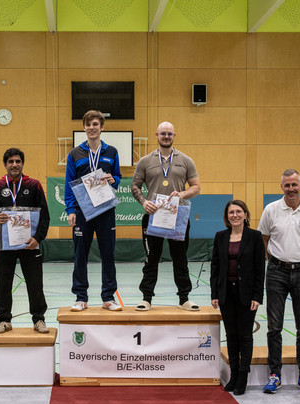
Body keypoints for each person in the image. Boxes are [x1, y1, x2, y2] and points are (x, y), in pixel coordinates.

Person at [258, 169, 300, 395]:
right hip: (276, 272)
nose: (291, 189)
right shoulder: (271, 209)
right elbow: (264, 239)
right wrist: (275, 261)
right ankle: (274, 375)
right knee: (274, 327)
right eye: (287, 185)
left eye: (294, 184)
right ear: (282, 187)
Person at [130, 121, 201, 311]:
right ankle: (146, 298)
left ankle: (184, 299)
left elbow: (196, 187)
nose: (166, 137)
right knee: (151, 259)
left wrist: (182, 194)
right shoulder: (145, 161)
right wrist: (144, 202)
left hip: (178, 217)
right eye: (163, 133)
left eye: (169, 133)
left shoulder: (186, 160)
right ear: (157, 135)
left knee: (181, 259)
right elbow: (135, 186)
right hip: (153, 217)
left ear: (174, 136)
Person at [0, 148, 50, 334]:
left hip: (30, 244)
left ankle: (38, 319)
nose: (14, 164)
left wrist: (38, 238)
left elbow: (44, 216)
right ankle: (4, 320)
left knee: (35, 283)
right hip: (4, 245)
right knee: (3, 284)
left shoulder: (34, 185)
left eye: (18, 161)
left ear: (22, 164)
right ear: (5, 164)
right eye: (11, 161)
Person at [65, 110, 122, 311]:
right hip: (82, 211)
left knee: (108, 254)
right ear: (84, 128)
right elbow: (69, 183)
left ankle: (108, 298)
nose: (92, 128)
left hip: (106, 210)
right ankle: (81, 297)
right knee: (80, 255)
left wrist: (114, 179)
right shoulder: (75, 153)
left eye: (95, 124)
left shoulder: (112, 152)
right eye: (88, 124)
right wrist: (70, 209)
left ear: (102, 127)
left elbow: (118, 177)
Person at [210, 200, 265, 395]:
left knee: (245, 336)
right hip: (226, 293)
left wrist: (257, 295)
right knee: (231, 336)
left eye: (238, 211)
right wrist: (215, 293)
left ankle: (243, 376)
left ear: (245, 214)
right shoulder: (220, 236)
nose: (235, 215)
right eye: (231, 212)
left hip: (247, 294)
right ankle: (233, 375)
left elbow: (260, 268)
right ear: (227, 216)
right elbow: (215, 267)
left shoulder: (255, 237)